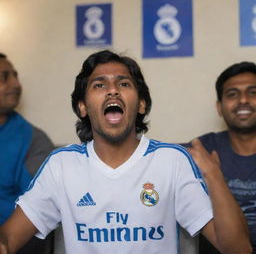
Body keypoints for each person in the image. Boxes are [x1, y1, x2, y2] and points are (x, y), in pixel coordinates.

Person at [0, 50, 252, 254]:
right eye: (99, 85)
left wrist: (215, 179)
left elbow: (237, 249)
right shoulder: (61, 165)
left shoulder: (172, 160)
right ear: (83, 106)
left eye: (123, 83)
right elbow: (9, 240)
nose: (112, 90)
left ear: (141, 104)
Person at [184, 61, 256, 254]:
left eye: (252, 92)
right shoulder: (202, 150)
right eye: (232, 94)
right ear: (219, 107)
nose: (243, 100)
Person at [0, 53, 55, 254]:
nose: (16, 84)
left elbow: (36, 212)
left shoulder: (34, 141)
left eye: (15, 76)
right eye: (4, 77)